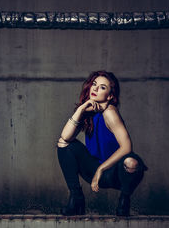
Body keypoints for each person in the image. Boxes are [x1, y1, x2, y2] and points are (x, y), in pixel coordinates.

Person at [56, 70, 147, 216]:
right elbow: (65, 138)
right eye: (94, 84)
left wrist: (101, 170)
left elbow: (127, 147)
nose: (95, 89)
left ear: (110, 96)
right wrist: (81, 109)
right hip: (92, 168)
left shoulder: (110, 112)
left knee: (131, 162)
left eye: (102, 87)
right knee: (64, 144)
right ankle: (77, 199)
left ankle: (124, 200)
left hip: (114, 172)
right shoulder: (88, 111)